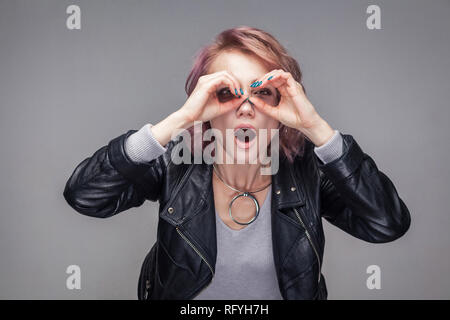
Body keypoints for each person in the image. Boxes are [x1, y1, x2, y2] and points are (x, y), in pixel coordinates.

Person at [63, 26, 411, 300]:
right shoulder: (176, 164)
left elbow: (387, 224)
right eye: (227, 93)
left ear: (281, 110)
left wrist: (315, 127)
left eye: (262, 91)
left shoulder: (309, 172)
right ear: (206, 106)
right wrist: (180, 120)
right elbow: (85, 196)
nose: (246, 107)